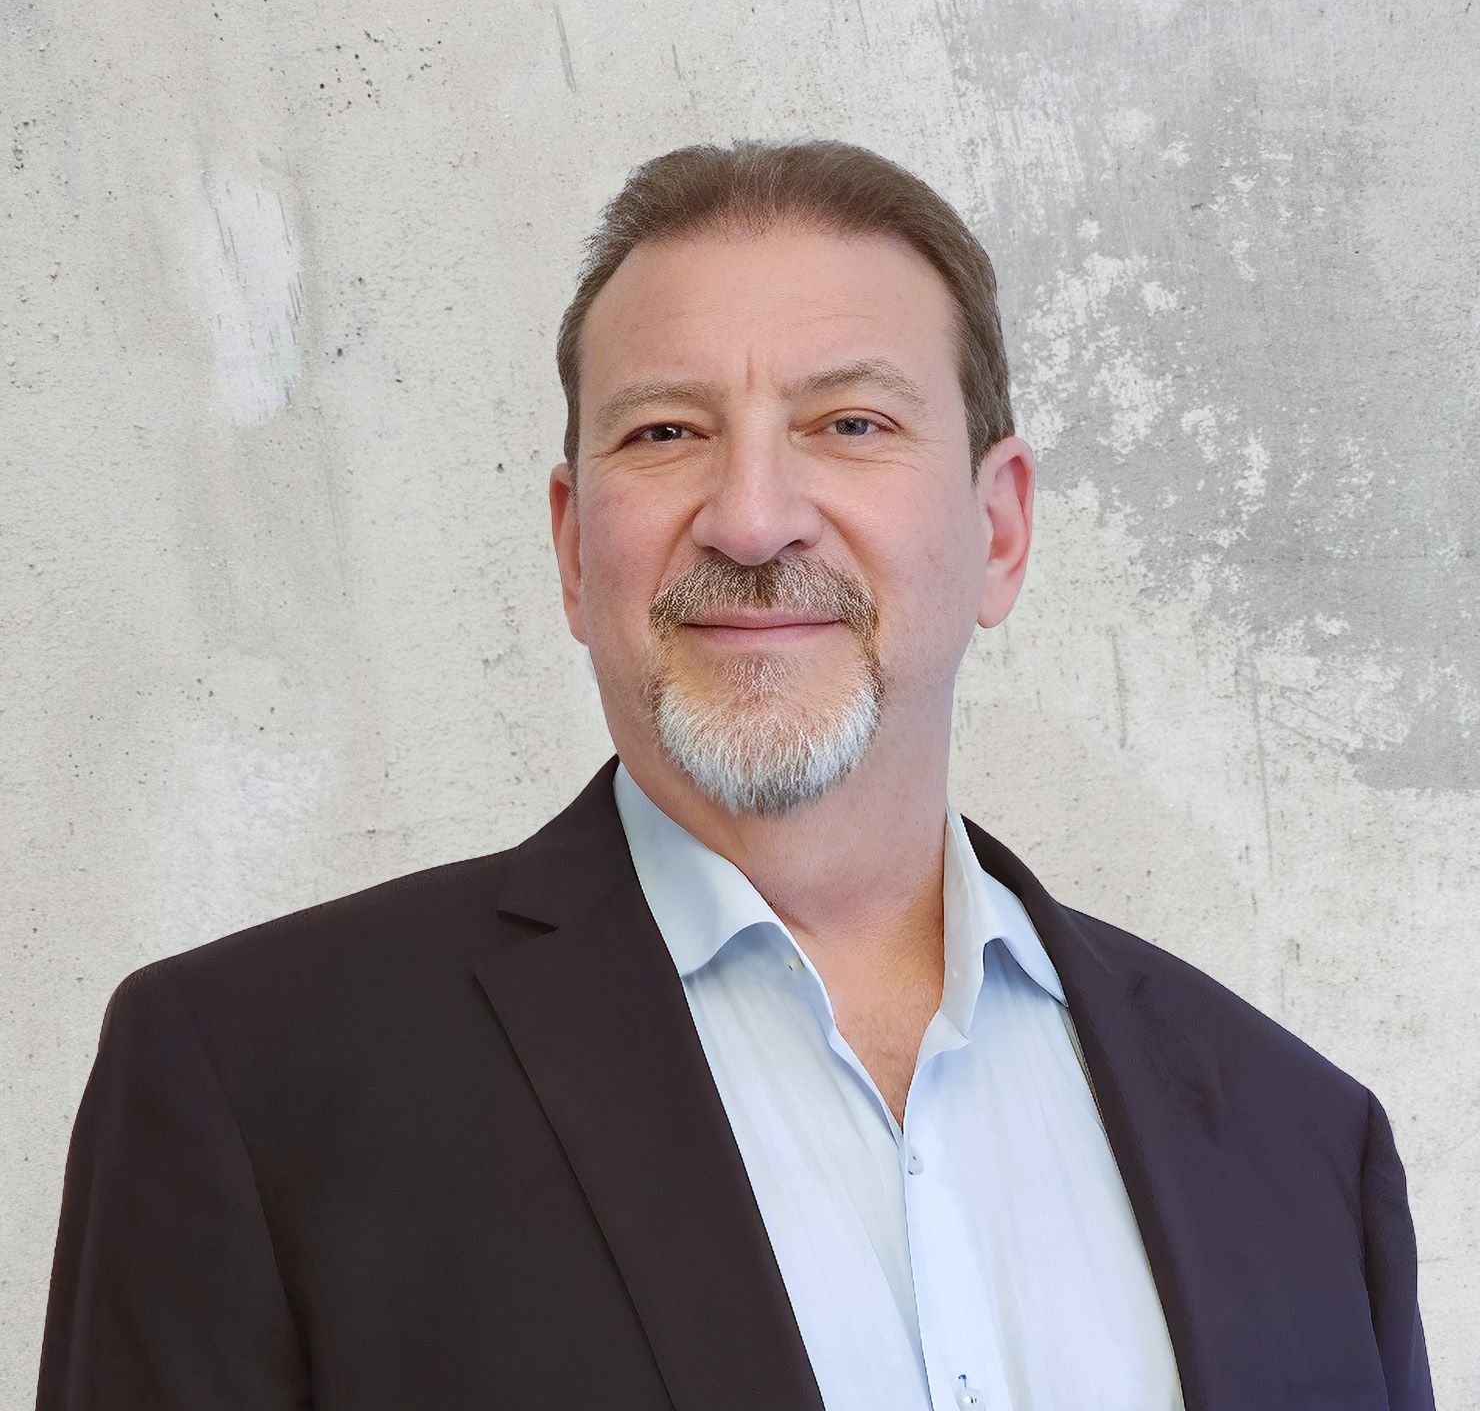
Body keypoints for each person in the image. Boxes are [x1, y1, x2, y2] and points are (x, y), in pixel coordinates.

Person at [36, 138, 1432, 1411]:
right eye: (665, 433)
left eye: (852, 425)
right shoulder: (255, 1083)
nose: (756, 518)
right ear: (575, 546)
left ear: (1000, 531)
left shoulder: (1303, 1146)